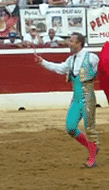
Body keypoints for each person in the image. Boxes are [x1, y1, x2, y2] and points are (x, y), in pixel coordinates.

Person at [34, 32, 100, 168]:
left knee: (90, 128)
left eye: (71, 41)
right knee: (70, 128)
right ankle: (92, 147)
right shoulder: (71, 60)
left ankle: (92, 158)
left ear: (79, 44)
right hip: (76, 99)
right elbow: (59, 68)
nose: (69, 43)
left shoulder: (92, 58)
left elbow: (104, 70)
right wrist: (42, 62)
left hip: (88, 98)